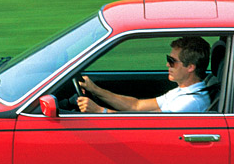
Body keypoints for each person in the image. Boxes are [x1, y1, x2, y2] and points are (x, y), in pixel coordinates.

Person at [78, 36, 211, 114]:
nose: (167, 65)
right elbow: (136, 105)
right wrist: (95, 90)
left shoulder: (189, 102)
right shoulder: (182, 91)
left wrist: (100, 111)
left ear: (190, 67)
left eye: (172, 61)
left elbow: (144, 123)